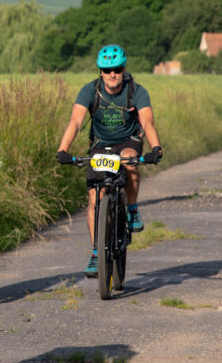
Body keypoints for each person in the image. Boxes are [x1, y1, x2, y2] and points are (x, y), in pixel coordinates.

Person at [55, 44, 163, 277]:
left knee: (129, 160)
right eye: (107, 70)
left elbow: (147, 122)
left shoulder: (137, 91)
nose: (112, 74)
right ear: (100, 72)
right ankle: (96, 253)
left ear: (124, 69)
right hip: (101, 145)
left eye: (117, 69)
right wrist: (63, 149)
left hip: (129, 140)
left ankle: (132, 209)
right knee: (95, 195)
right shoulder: (90, 90)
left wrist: (156, 148)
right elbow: (75, 121)